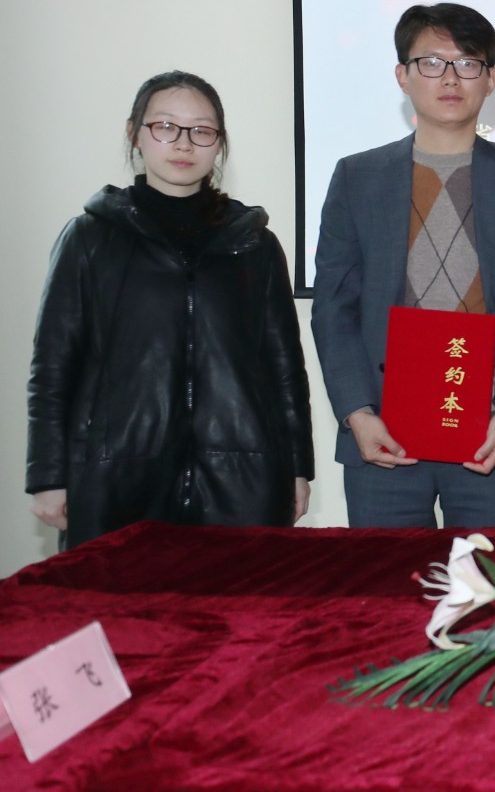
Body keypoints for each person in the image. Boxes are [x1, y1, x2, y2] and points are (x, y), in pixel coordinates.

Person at [27, 71, 313, 548]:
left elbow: (285, 368)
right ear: (134, 133)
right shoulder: (89, 238)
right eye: (165, 126)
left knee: (236, 597)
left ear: (219, 143)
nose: (183, 143)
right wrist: (47, 475)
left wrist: (298, 468)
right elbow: (53, 366)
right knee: (121, 598)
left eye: (202, 130)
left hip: (243, 477)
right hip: (116, 477)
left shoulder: (255, 243)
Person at [311, 3, 495, 528]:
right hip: (384, 434)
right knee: (386, 580)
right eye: (431, 62)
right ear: (402, 76)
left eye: (468, 63)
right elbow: (333, 308)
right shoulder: (358, 177)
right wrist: (357, 413)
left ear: (490, 79)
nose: (450, 78)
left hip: (490, 436)